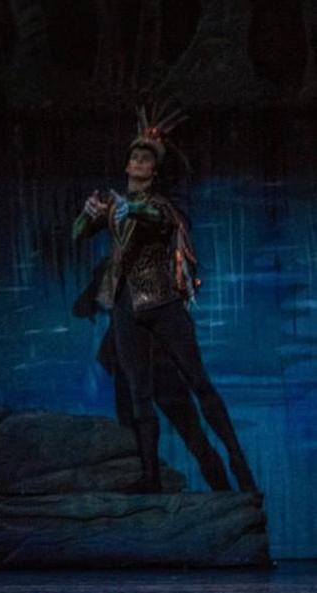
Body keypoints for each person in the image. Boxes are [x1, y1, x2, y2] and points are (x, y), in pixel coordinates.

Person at [72, 106, 257, 494]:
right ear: (127, 165)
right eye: (135, 157)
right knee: (140, 394)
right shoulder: (114, 205)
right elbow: (77, 234)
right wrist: (88, 214)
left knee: (199, 383)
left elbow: (150, 216)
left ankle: (237, 458)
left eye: (146, 159)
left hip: (163, 306)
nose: (138, 162)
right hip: (127, 310)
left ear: (153, 171)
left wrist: (123, 207)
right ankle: (150, 477)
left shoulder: (159, 206)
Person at [73, 259, 234, 490]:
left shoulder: (118, 267)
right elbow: (84, 306)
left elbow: (84, 307)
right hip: (154, 365)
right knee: (192, 436)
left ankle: (156, 481)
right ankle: (221, 489)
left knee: (144, 433)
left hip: (138, 367)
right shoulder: (155, 266)